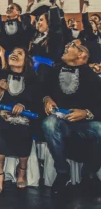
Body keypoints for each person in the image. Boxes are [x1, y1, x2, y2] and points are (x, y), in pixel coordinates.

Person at [41, 40, 101, 195]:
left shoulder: (93, 78)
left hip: (85, 125)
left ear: (82, 55)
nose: (66, 46)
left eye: (72, 46)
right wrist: (46, 99)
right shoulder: (53, 70)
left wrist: (86, 113)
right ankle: (62, 172)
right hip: (60, 122)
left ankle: (89, 172)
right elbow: (41, 91)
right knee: (49, 124)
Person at [0, 47, 39, 194]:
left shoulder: (33, 78)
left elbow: (37, 101)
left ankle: (22, 171)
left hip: (24, 117)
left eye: (19, 53)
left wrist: (23, 105)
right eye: (12, 52)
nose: (14, 54)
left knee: (24, 129)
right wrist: (0, 90)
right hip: (0, 115)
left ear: (26, 60)